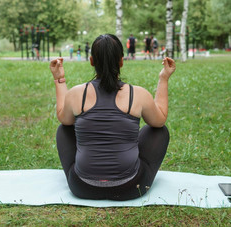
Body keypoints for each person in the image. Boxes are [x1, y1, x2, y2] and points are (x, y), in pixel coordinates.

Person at [50, 34, 176, 201]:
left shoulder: (76, 94)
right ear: (121, 61)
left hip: (82, 188)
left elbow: (64, 119)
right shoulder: (137, 94)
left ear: (91, 61)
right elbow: (160, 120)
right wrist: (164, 78)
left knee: (64, 129)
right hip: (130, 188)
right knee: (159, 131)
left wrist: (59, 79)